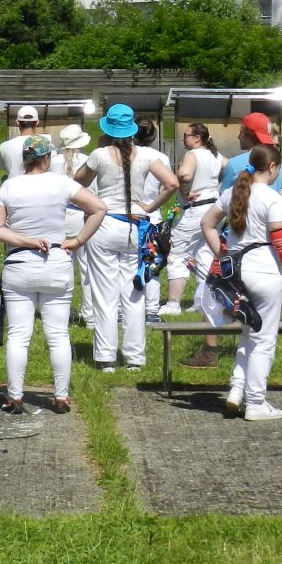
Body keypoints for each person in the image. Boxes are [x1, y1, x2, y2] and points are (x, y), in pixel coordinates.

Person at [0, 134, 106, 413]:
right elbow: (99, 208)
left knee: (18, 335)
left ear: (25, 160)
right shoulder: (62, 183)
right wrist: (78, 240)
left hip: (19, 265)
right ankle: (61, 397)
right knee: (58, 334)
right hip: (56, 262)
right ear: (47, 158)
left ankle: (15, 396)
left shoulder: (9, 186)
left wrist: (26, 240)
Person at [200, 144, 282, 421]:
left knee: (248, 334)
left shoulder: (233, 192)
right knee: (263, 340)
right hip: (264, 273)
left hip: (237, 273)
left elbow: (207, 224)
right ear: (272, 167)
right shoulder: (271, 198)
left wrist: (222, 255)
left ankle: (237, 390)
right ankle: (256, 402)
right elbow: (281, 242)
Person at [73, 103, 179, 372]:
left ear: (108, 129)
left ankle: (106, 357)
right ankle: (134, 357)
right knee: (134, 292)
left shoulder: (99, 155)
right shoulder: (147, 155)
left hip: (105, 223)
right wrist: (150, 207)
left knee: (104, 294)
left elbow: (78, 181)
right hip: (136, 226)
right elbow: (172, 183)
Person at [160, 123, 227, 318]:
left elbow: (184, 174)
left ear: (197, 138)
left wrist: (183, 189)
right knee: (205, 254)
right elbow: (233, 168)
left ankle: (173, 303)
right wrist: (219, 188)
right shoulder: (216, 155)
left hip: (195, 209)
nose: (183, 139)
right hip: (214, 209)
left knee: (178, 253)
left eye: (186, 136)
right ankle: (202, 301)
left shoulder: (193, 154)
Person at [132, 119, 172, 322]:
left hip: (129, 214)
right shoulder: (162, 158)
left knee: (127, 264)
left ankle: (123, 309)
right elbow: (167, 186)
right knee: (153, 265)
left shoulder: (125, 154)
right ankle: (151, 311)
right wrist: (153, 205)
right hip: (152, 215)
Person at [56, 123, 95, 325]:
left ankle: (64, 311)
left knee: (63, 266)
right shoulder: (89, 161)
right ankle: (90, 314)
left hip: (59, 216)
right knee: (87, 267)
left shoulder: (53, 162)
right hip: (83, 216)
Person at [219, 112, 282, 193]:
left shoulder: (234, 164)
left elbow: (223, 196)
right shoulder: (280, 167)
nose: (238, 137)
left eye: (240, 132)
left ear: (249, 135)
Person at [0, 105, 50, 179]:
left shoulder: (4, 146)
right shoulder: (46, 145)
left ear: (17, 122)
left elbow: (4, 167)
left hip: (13, 185)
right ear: (37, 122)